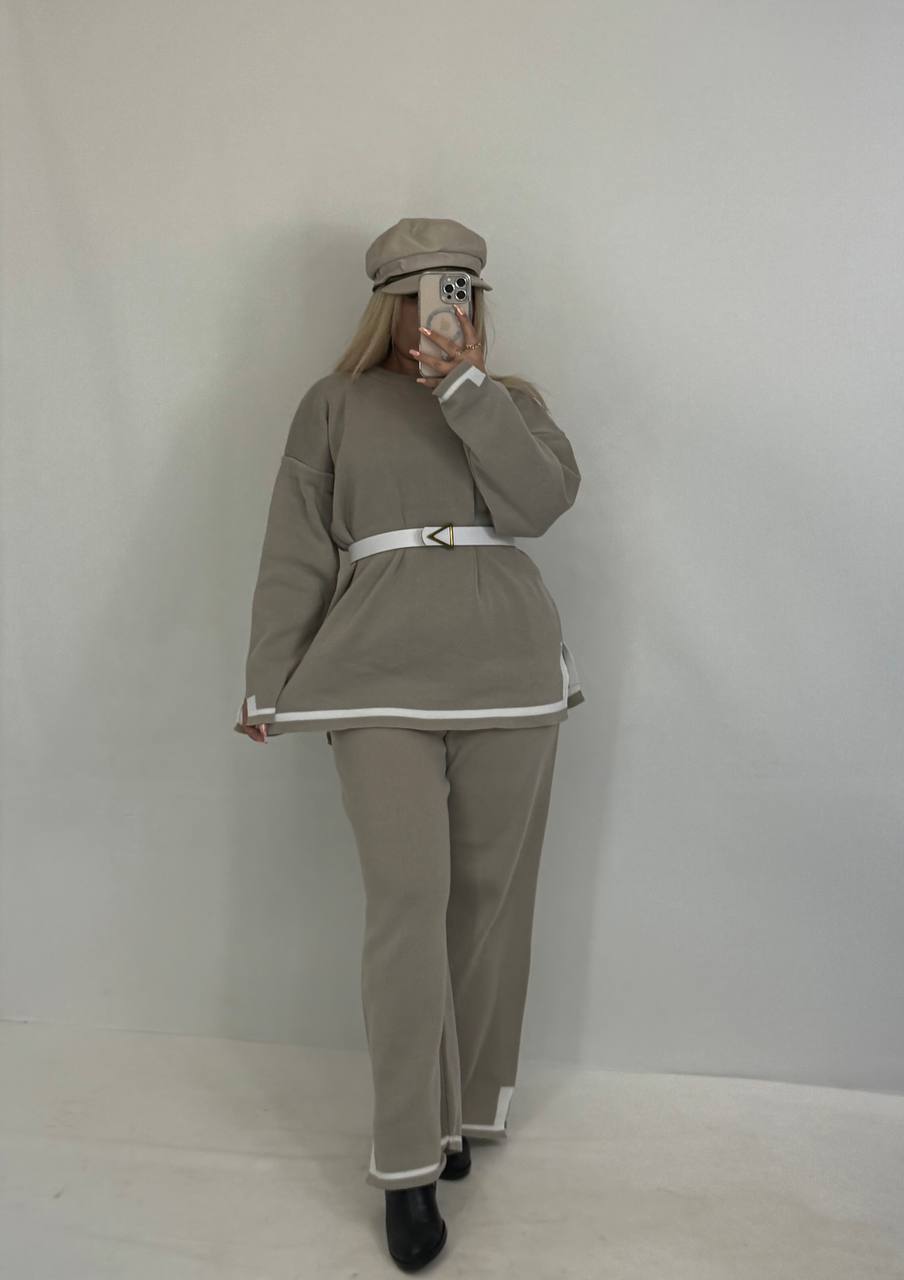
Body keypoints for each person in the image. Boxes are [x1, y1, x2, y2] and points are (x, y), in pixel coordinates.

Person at [235, 217, 584, 1271]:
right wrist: (268, 674)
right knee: (406, 906)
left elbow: (540, 505)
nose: (445, 308)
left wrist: (466, 388)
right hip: (374, 673)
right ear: (388, 301)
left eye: (462, 290)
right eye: (427, 291)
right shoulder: (333, 401)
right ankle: (405, 1163)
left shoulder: (511, 401)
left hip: (507, 674)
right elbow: (296, 539)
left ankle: (460, 1112)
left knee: (483, 906)